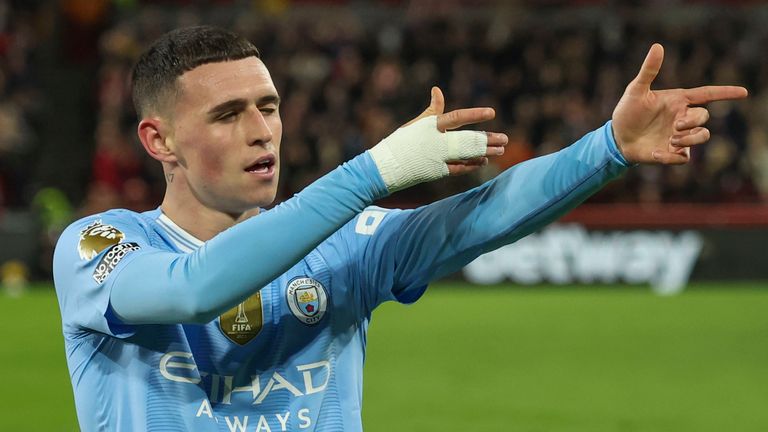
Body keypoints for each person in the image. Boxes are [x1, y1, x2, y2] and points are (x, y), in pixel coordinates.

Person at [53, 26, 746, 431]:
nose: (262, 132)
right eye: (228, 115)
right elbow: (194, 289)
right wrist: (373, 170)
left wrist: (607, 149)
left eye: (268, 106)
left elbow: (483, 215)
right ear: (159, 140)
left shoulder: (345, 249)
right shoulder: (101, 247)